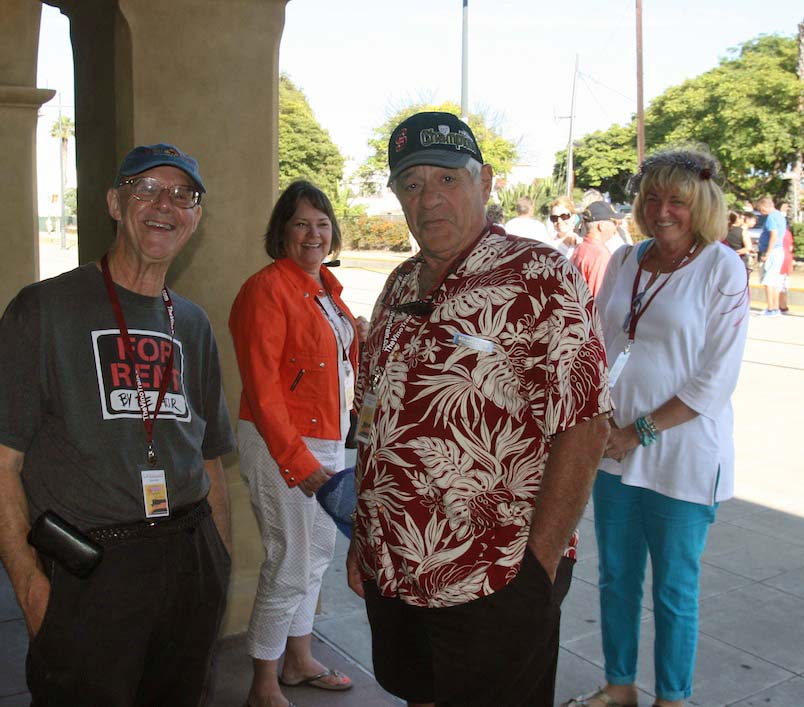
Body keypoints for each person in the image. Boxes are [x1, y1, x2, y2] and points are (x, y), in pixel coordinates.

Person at [348, 110, 611, 706]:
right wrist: (364, 540)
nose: (429, 198)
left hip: (495, 573)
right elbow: (373, 421)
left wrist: (537, 569)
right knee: (417, 694)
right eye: (411, 184)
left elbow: (587, 421)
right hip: (395, 566)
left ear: (485, 182)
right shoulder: (396, 286)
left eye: (448, 179)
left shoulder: (539, 276)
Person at [0, 143, 235, 705]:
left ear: (196, 216)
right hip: (90, 569)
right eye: (147, 189)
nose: (165, 204)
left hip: (188, 556)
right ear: (115, 202)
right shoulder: (44, 310)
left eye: (183, 194)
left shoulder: (192, 324)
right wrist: (31, 588)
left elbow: (208, 452)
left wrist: (217, 562)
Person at [566, 148, 749, 707]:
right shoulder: (624, 261)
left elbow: (715, 379)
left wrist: (637, 431)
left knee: (674, 591)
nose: (661, 210)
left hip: (681, 454)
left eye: (677, 201)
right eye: (651, 198)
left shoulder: (722, 267)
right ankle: (619, 684)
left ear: (703, 206)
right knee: (617, 579)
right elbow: (598, 344)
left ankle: (673, 697)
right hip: (613, 453)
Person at [229, 180, 359, 707]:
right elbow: (262, 387)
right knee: (290, 558)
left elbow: (332, 359)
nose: (314, 233)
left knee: (317, 555)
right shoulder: (266, 289)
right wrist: (294, 457)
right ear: (282, 231)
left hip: (327, 435)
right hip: (279, 440)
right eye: (302, 223)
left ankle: (299, 660)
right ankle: (263, 684)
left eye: (322, 223)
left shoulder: (326, 287)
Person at [571, 202, 618, 296]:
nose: (616, 228)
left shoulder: (580, 248)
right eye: (614, 223)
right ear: (601, 226)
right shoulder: (600, 256)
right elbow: (599, 299)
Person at [756, 196, 786, 317]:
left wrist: (767, 252)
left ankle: (771, 308)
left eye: (761, 209)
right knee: (774, 280)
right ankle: (774, 307)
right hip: (778, 250)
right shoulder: (779, 215)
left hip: (772, 252)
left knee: (768, 280)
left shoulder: (771, 218)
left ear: (765, 207)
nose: (761, 212)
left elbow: (774, 235)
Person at [724, 210, 753, 275]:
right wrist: (735, 253)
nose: (744, 220)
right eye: (742, 218)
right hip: (739, 258)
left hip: (725, 258)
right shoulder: (742, 231)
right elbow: (748, 247)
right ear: (738, 219)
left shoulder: (723, 230)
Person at [777, 202, 794, 314]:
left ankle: (778, 305)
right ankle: (783, 305)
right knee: (784, 284)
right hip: (787, 258)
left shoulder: (778, 233)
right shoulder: (788, 233)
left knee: (778, 284)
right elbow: (791, 247)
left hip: (780, 259)